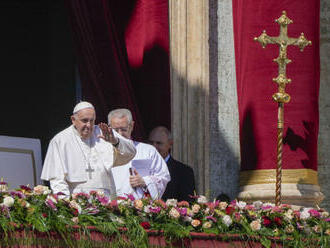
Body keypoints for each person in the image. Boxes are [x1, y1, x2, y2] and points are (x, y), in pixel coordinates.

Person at [41, 101, 136, 198]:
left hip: (105, 200)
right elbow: (57, 179)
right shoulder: (60, 140)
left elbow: (131, 152)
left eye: (92, 120)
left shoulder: (104, 133)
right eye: (84, 120)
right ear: (73, 120)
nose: (89, 125)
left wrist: (115, 141)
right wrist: (66, 204)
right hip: (77, 202)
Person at [108, 109, 170, 200]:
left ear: (132, 126)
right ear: (109, 128)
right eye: (116, 130)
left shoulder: (148, 151)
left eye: (124, 129)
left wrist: (145, 181)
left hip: (138, 209)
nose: (120, 134)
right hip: (109, 208)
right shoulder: (102, 151)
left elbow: (163, 177)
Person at [148, 126, 195, 202]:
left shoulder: (184, 172)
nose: (154, 147)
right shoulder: (140, 168)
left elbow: (187, 204)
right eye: (151, 143)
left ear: (170, 144)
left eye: (159, 143)